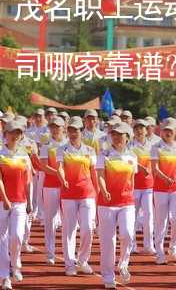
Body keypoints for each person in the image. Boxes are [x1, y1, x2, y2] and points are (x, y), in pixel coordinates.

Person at [0, 121, 33, 290]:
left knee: (16, 236)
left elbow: (28, 181)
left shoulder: (25, 156)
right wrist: (5, 199)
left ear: (21, 135)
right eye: (11, 132)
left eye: (17, 133)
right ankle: (4, 276)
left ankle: (15, 265)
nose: (14, 135)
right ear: (5, 135)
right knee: (2, 238)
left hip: (20, 201)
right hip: (1, 201)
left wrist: (30, 202)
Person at [95, 123, 137, 289]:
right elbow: (100, 176)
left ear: (127, 137)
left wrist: (131, 194)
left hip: (126, 202)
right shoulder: (104, 154)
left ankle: (123, 264)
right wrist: (104, 190)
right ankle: (108, 276)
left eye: (121, 134)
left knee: (127, 234)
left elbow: (132, 179)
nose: (117, 137)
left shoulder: (132, 156)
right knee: (108, 241)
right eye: (114, 134)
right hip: (107, 203)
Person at [58, 117, 97, 276]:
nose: (73, 133)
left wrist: (98, 193)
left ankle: (82, 260)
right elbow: (59, 167)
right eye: (71, 130)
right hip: (68, 195)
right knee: (69, 229)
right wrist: (63, 179)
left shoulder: (90, 150)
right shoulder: (63, 150)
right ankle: (69, 264)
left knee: (88, 228)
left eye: (76, 130)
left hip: (87, 193)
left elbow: (94, 172)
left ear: (82, 131)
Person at [150, 118, 176, 264]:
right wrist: (165, 178)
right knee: (161, 221)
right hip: (160, 189)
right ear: (161, 132)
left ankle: (174, 247)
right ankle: (159, 252)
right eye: (165, 130)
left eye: (170, 131)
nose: (167, 133)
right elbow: (155, 168)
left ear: (175, 132)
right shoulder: (156, 147)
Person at [38, 116, 67, 264]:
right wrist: (58, 173)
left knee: (68, 221)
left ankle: (68, 252)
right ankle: (50, 252)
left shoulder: (69, 145)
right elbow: (43, 166)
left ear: (64, 128)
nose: (55, 129)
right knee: (50, 220)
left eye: (58, 127)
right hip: (50, 187)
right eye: (53, 127)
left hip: (67, 188)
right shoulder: (46, 146)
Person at [128, 119, 155, 254]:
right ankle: (132, 245)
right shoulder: (129, 146)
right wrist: (141, 167)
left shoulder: (153, 146)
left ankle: (148, 245)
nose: (139, 130)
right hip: (133, 186)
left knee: (149, 215)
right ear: (133, 131)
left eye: (142, 128)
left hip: (148, 186)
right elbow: (128, 161)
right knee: (132, 216)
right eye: (137, 128)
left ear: (146, 130)